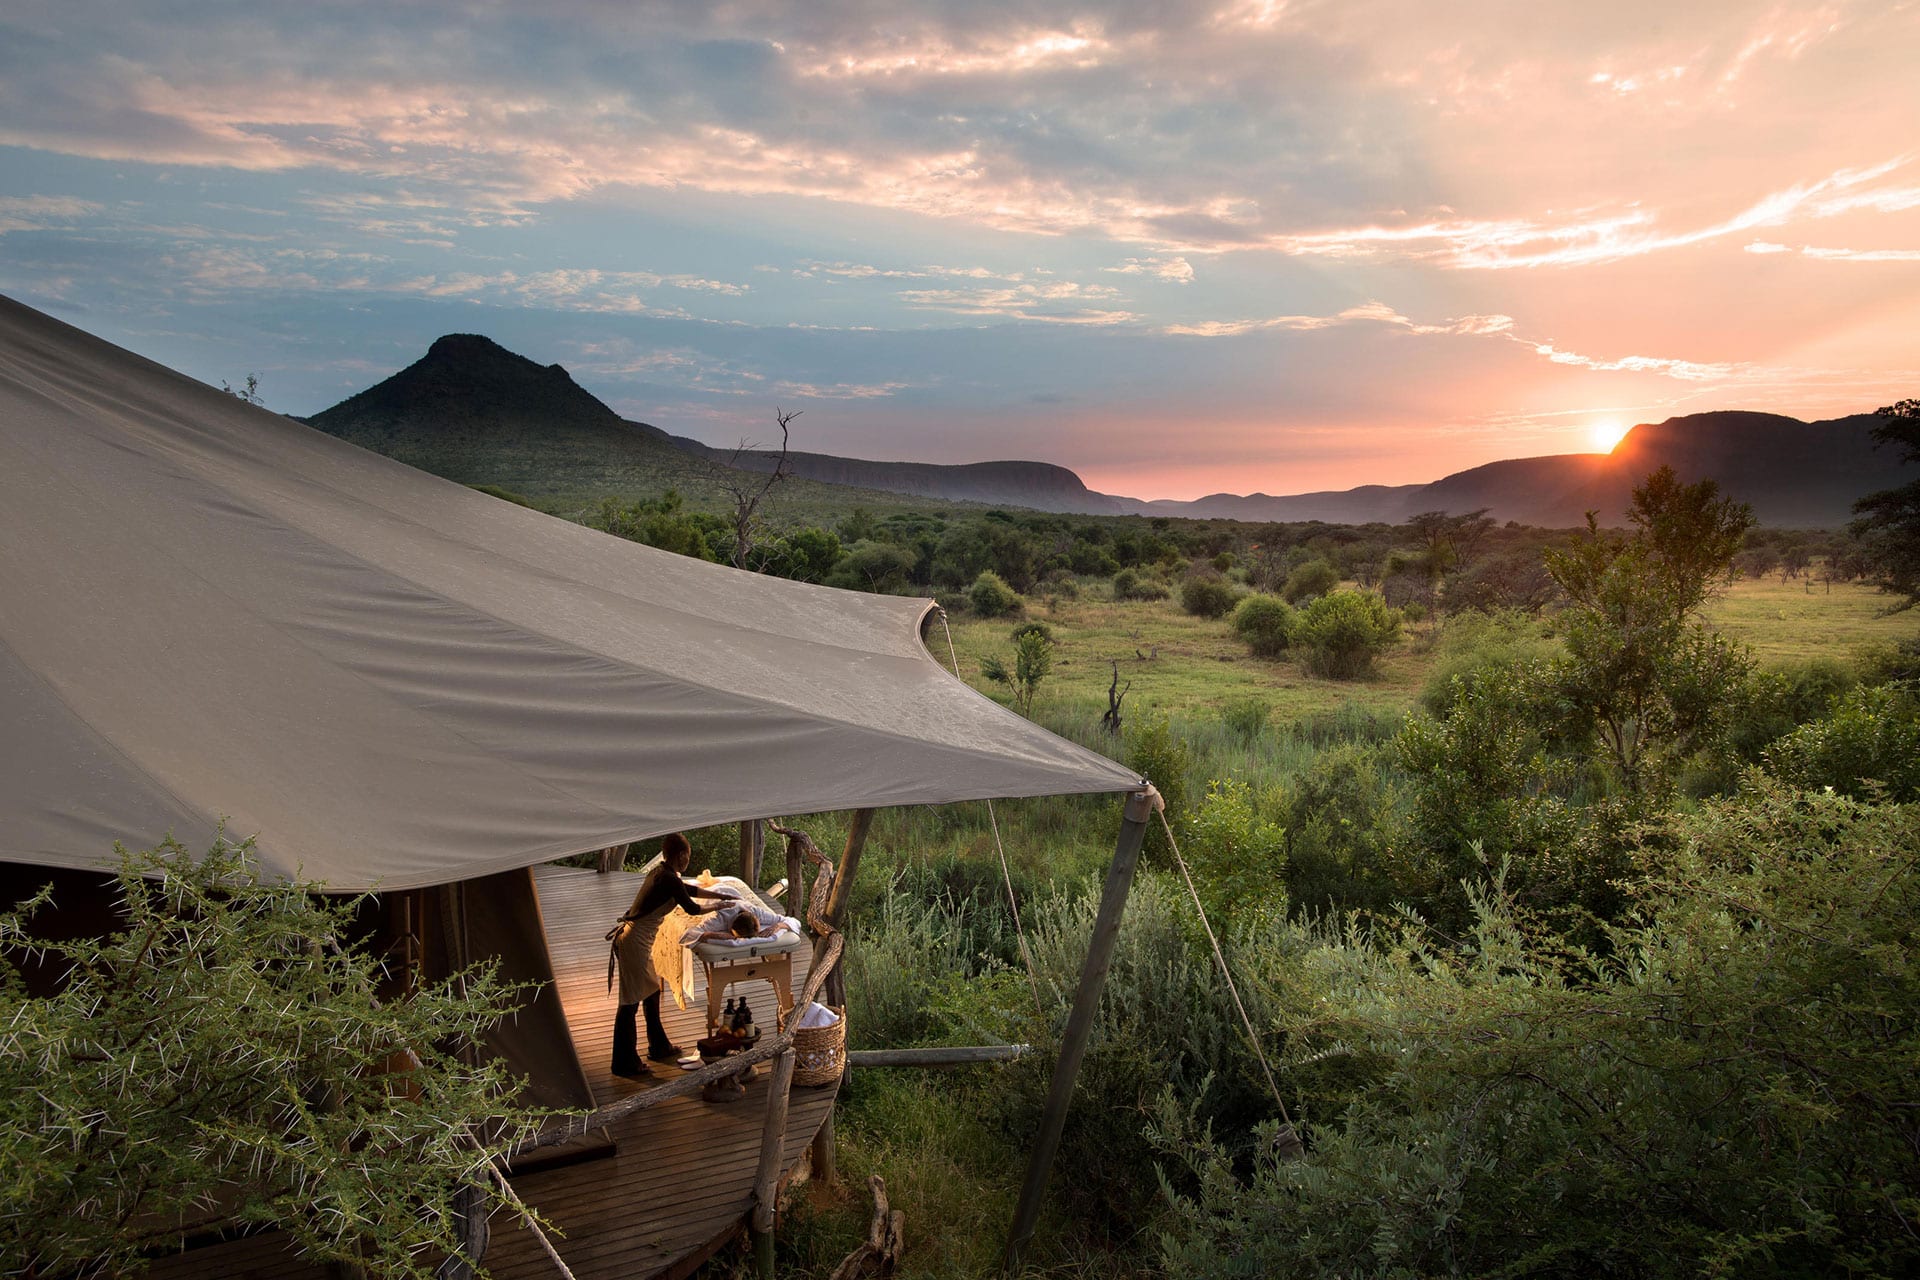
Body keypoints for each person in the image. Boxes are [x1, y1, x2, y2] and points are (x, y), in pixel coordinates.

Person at [609, 833, 731, 1078]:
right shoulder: (666, 877)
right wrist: (720, 906)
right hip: (634, 942)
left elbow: (687, 889)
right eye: (688, 856)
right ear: (682, 855)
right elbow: (692, 907)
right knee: (629, 1003)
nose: (688, 860)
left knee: (652, 993)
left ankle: (659, 1046)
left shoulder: (663, 873)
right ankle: (624, 1063)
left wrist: (719, 896)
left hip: (637, 941)